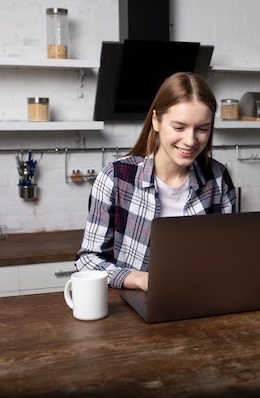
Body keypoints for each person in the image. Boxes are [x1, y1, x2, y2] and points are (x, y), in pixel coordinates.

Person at [75, 72, 236, 291]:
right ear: (156, 121)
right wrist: (140, 280)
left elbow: (230, 254)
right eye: (179, 127)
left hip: (201, 299)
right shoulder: (115, 178)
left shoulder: (218, 177)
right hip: (133, 306)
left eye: (202, 129)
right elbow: (88, 261)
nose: (190, 140)